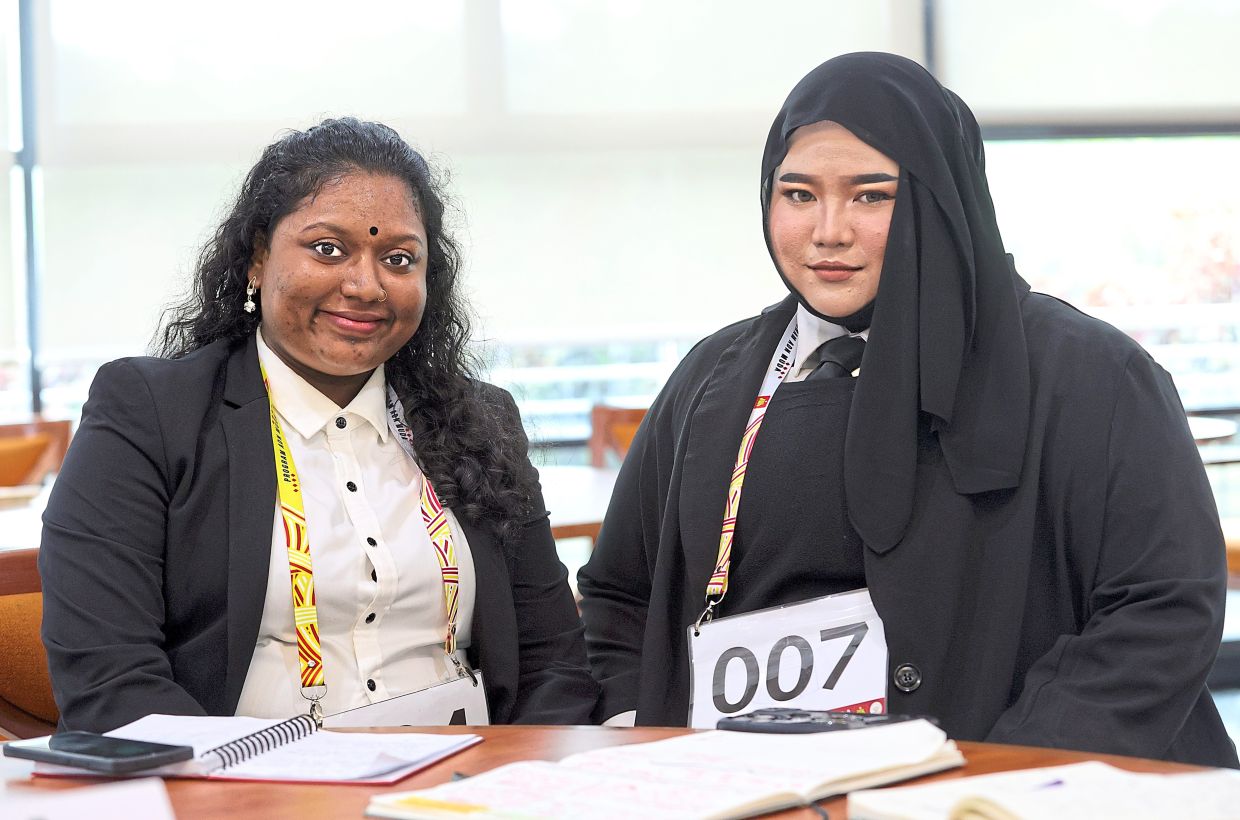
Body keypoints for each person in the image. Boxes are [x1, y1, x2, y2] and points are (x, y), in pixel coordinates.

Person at [577, 52, 1238, 767]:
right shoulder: (712, 377)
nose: (829, 231)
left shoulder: (1093, 375)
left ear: (939, 199)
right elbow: (620, 592)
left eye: (871, 196)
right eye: (798, 195)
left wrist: (1001, 782)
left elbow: (1161, 608)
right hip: (755, 784)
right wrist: (635, 729)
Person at [41, 117, 598, 732]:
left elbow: (554, 662)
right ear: (257, 257)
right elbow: (109, 681)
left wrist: (523, 785)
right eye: (327, 249)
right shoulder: (151, 412)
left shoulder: (480, 420)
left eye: (398, 258)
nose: (364, 285)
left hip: (468, 788)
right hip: (245, 792)